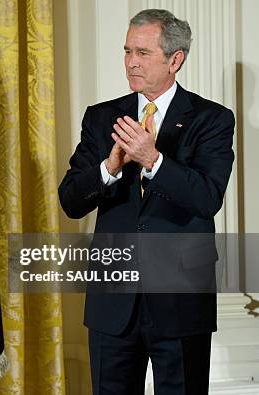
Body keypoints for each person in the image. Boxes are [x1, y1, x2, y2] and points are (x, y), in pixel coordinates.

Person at [58, 9, 234, 394]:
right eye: (126, 51)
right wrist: (109, 166)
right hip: (112, 305)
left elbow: (206, 198)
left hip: (180, 300)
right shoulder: (102, 118)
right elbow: (70, 201)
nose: (131, 62)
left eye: (142, 52)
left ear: (175, 60)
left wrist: (153, 160)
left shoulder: (213, 119)